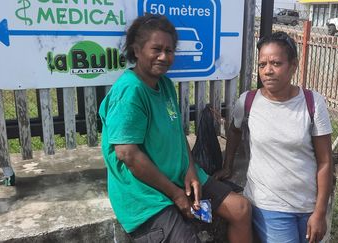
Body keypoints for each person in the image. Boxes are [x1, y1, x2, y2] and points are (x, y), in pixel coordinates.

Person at [98, 14, 252, 243]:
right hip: (146, 195)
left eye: (169, 51)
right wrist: (176, 194)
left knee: (240, 209)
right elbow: (127, 154)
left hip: (180, 178)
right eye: (156, 49)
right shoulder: (130, 92)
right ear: (137, 50)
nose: (164, 56)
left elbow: (177, 136)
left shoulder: (165, 85)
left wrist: (191, 169)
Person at [214, 31, 333, 243]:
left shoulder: (312, 103)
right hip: (269, 205)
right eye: (262, 64)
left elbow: (325, 161)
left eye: (276, 63)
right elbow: (234, 130)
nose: (268, 71)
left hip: (308, 203)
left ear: (293, 65)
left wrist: (320, 211)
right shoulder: (248, 101)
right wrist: (228, 165)